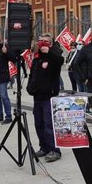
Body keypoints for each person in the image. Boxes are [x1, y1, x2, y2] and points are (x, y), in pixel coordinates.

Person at [26, 33, 64, 162]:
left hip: (49, 96)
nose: (42, 43)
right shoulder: (37, 57)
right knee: (39, 124)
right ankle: (44, 147)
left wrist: (49, 52)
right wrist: (30, 87)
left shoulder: (54, 55)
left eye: (45, 41)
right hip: (37, 96)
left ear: (51, 43)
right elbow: (33, 74)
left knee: (49, 125)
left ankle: (55, 150)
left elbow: (60, 61)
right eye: (40, 40)